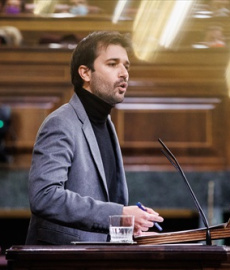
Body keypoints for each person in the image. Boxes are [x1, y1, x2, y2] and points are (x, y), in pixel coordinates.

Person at [25, 31, 163, 245]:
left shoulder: (106, 124)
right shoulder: (61, 123)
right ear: (85, 73)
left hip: (96, 258)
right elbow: (45, 196)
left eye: (126, 66)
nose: (124, 73)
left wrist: (129, 233)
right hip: (62, 260)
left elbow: (104, 210)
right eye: (112, 64)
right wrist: (122, 213)